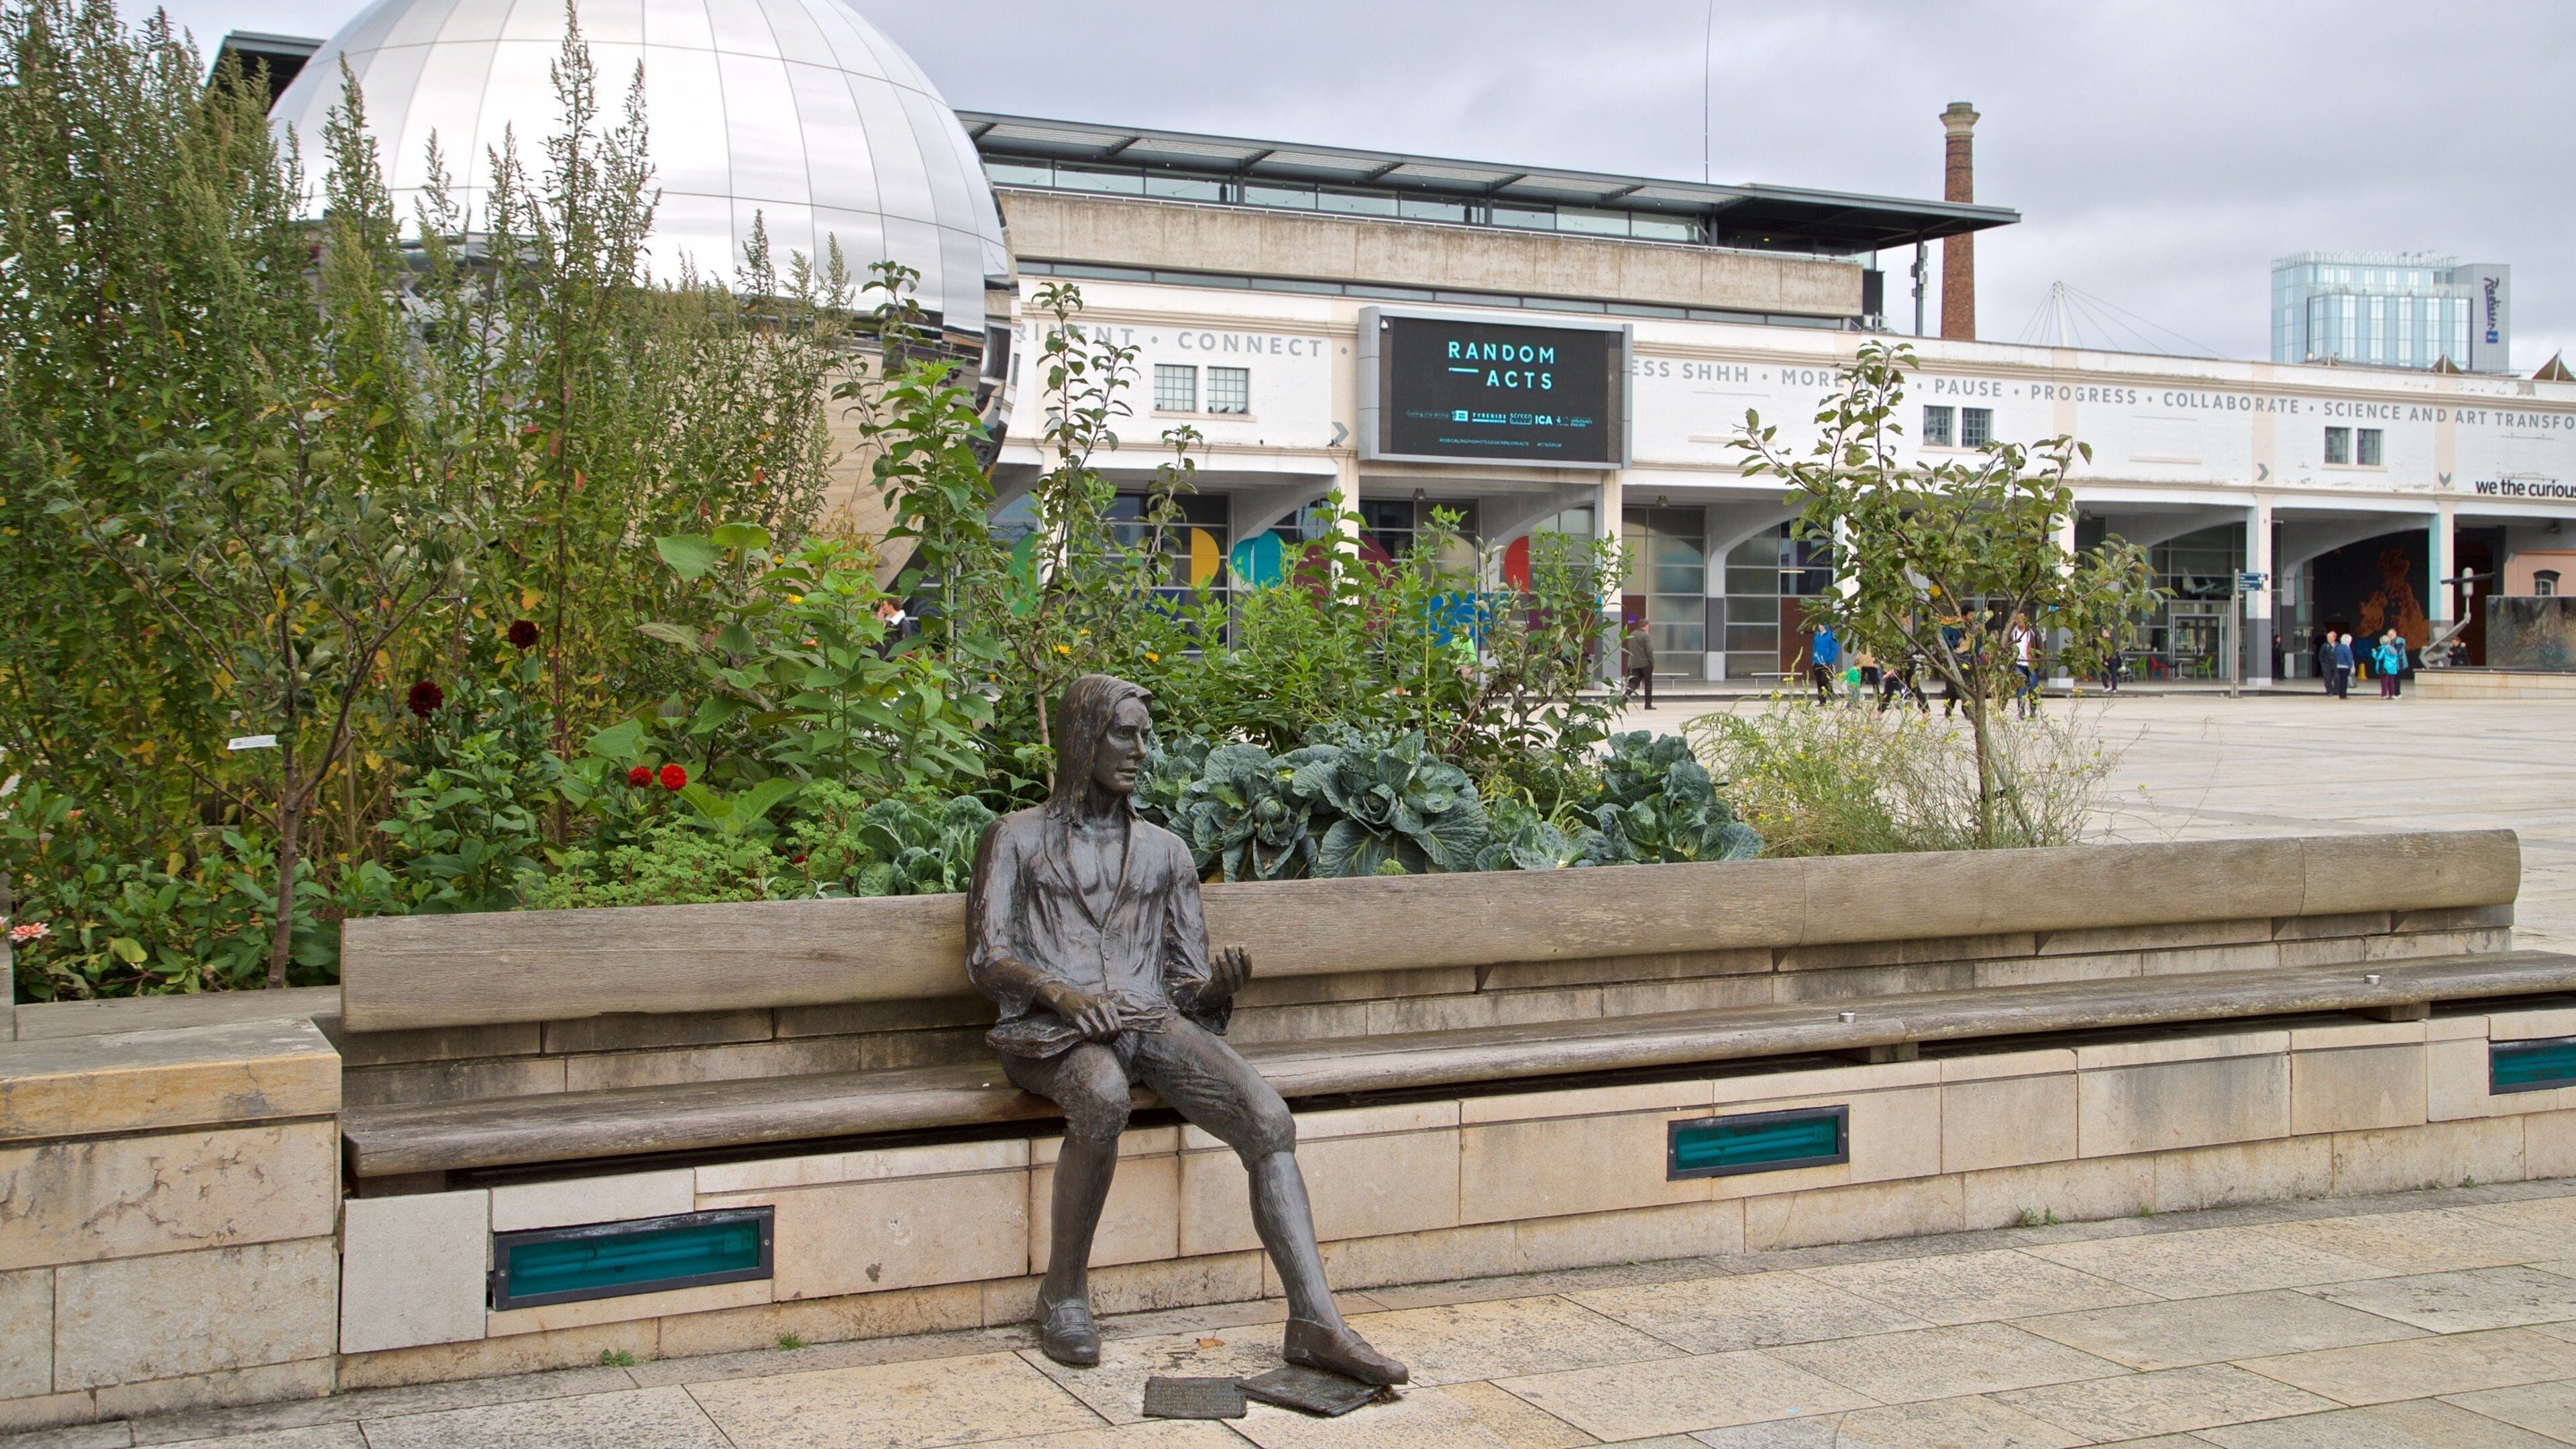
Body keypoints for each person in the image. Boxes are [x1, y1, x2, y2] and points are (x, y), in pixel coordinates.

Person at [966, 676, 1407, 1384]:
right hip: (1054, 1036)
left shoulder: (1166, 852)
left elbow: (1183, 981)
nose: (1141, 749)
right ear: (1083, 739)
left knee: (1268, 1120)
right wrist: (1061, 994)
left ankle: (1315, 1323)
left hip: (1150, 1020)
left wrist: (1215, 987)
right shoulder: (1014, 839)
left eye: (1146, 735)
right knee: (1103, 1094)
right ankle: (1064, 1296)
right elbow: (990, 957)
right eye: (1124, 734)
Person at [2007, 614, 2039, 719]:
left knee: (2033, 689)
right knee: (2020, 690)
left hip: (2031, 664)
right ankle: (2021, 712)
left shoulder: (2033, 631)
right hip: (2018, 664)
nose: (2019, 621)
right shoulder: (2013, 633)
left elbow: (2040, 648)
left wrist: (2040, 665)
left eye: (2022, 619)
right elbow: (2008, 647)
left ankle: (2033, 712)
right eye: (2017, 619)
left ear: (2026, 619)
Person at [1621, 620, 1655, 711]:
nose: (1649, 627)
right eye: (1648, 626)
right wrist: (1652, 662)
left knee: (1634, 683)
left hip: (1635, 663)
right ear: (1646, 626)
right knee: (1648, 683)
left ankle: (1624, 698)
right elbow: (1649, 650)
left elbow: (1629, 647)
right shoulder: (1646, 636)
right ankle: (1648, 704)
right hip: (1646, 664)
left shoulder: (1632, 634)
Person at [1809, 623, 1841, 705]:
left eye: (1821, 625)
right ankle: (1822, 701)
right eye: (1819, 625)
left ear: (1826, 626)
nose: (1819, 627)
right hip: (1816, 662)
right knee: (1819, 682)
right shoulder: (1817, 636)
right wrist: (1813, 659)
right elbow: (1814, 648)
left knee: (1824, 681)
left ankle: (1830, 696)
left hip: (1826, 663)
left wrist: (1829, 660)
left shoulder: (1832, 636)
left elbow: (1834, 649)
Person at [2376, 629, 2408, 700]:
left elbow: (2397, 651)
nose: (2390, 636)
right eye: (2389, 635)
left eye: (2391, 634)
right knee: (2392, 680)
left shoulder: (2400, 642)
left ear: (2395, 633)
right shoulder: (2389, 643)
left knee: (2397, 678)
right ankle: (2393, 693)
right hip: (2392, 664)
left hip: (2399, 663)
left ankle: (2397, 693)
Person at [2332, 631, 2356, 700]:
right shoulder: (2347, 648)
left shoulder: (2338, 648)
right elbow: (2350, 658)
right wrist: (2352, 666)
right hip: (2346, 667)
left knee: (2340, 680)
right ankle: (2344, 695)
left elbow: (2335, 657)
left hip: (2339, 666)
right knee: (2344, 681)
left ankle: (2340, 694)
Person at [2315, 631, 2339, 696]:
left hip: (2336, 664)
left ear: (2334, 638)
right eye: (2328, 638)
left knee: (2337, 678)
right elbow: (2320, 656)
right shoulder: (2325, 646)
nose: (2328, 639)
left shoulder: (2338, 646)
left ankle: (2336, 691)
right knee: (2327, 678)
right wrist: (2323, 664)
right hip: (2326, 665)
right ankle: (2329, 691)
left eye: (2330, 638)